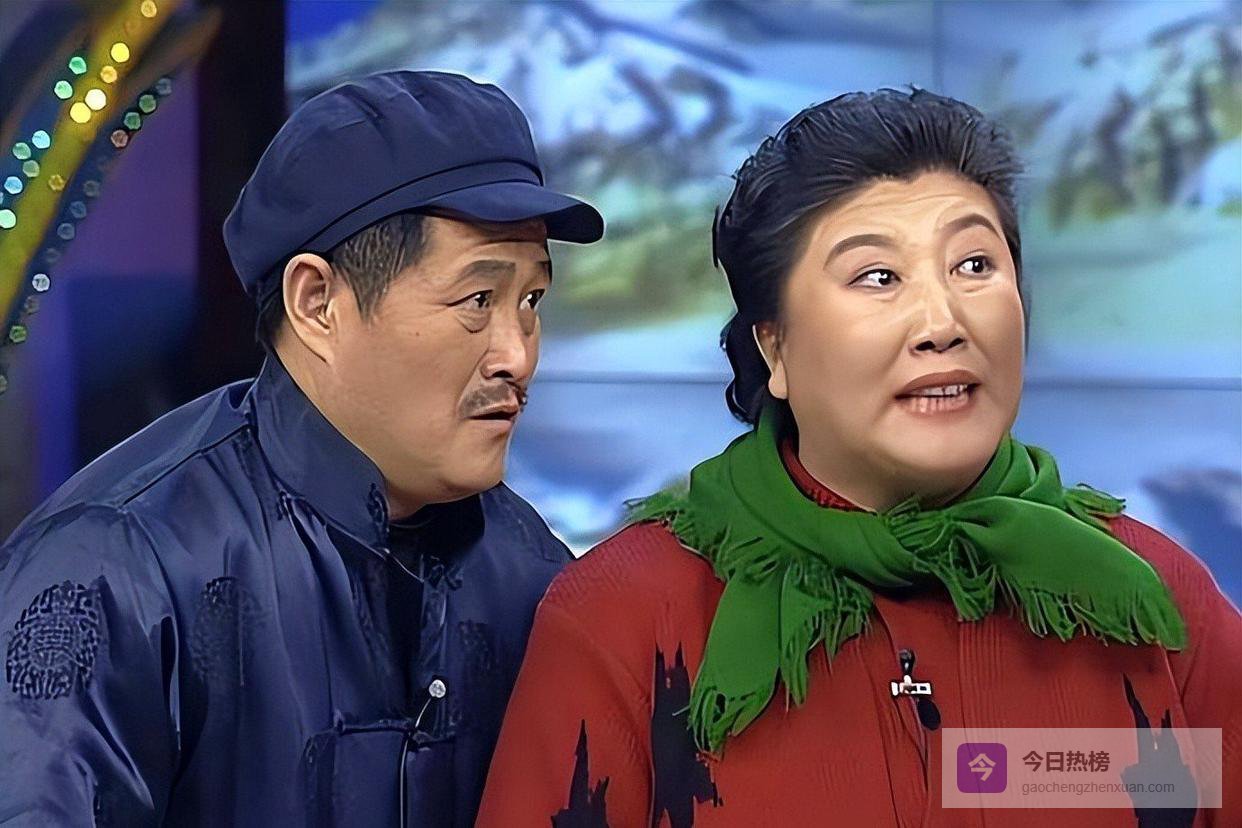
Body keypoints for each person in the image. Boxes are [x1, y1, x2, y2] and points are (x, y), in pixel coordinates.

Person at [478, 89, 1241, 826]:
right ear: (774, 347)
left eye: (975, 265)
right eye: (879, 277)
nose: (942, 323)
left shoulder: (1151, 601)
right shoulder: (624, 619)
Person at [0, 70, 602, 826]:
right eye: (477, 301)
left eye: (532, 301)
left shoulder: (533, 571)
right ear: (317, 303)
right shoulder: (119, 569)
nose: (516, 355)